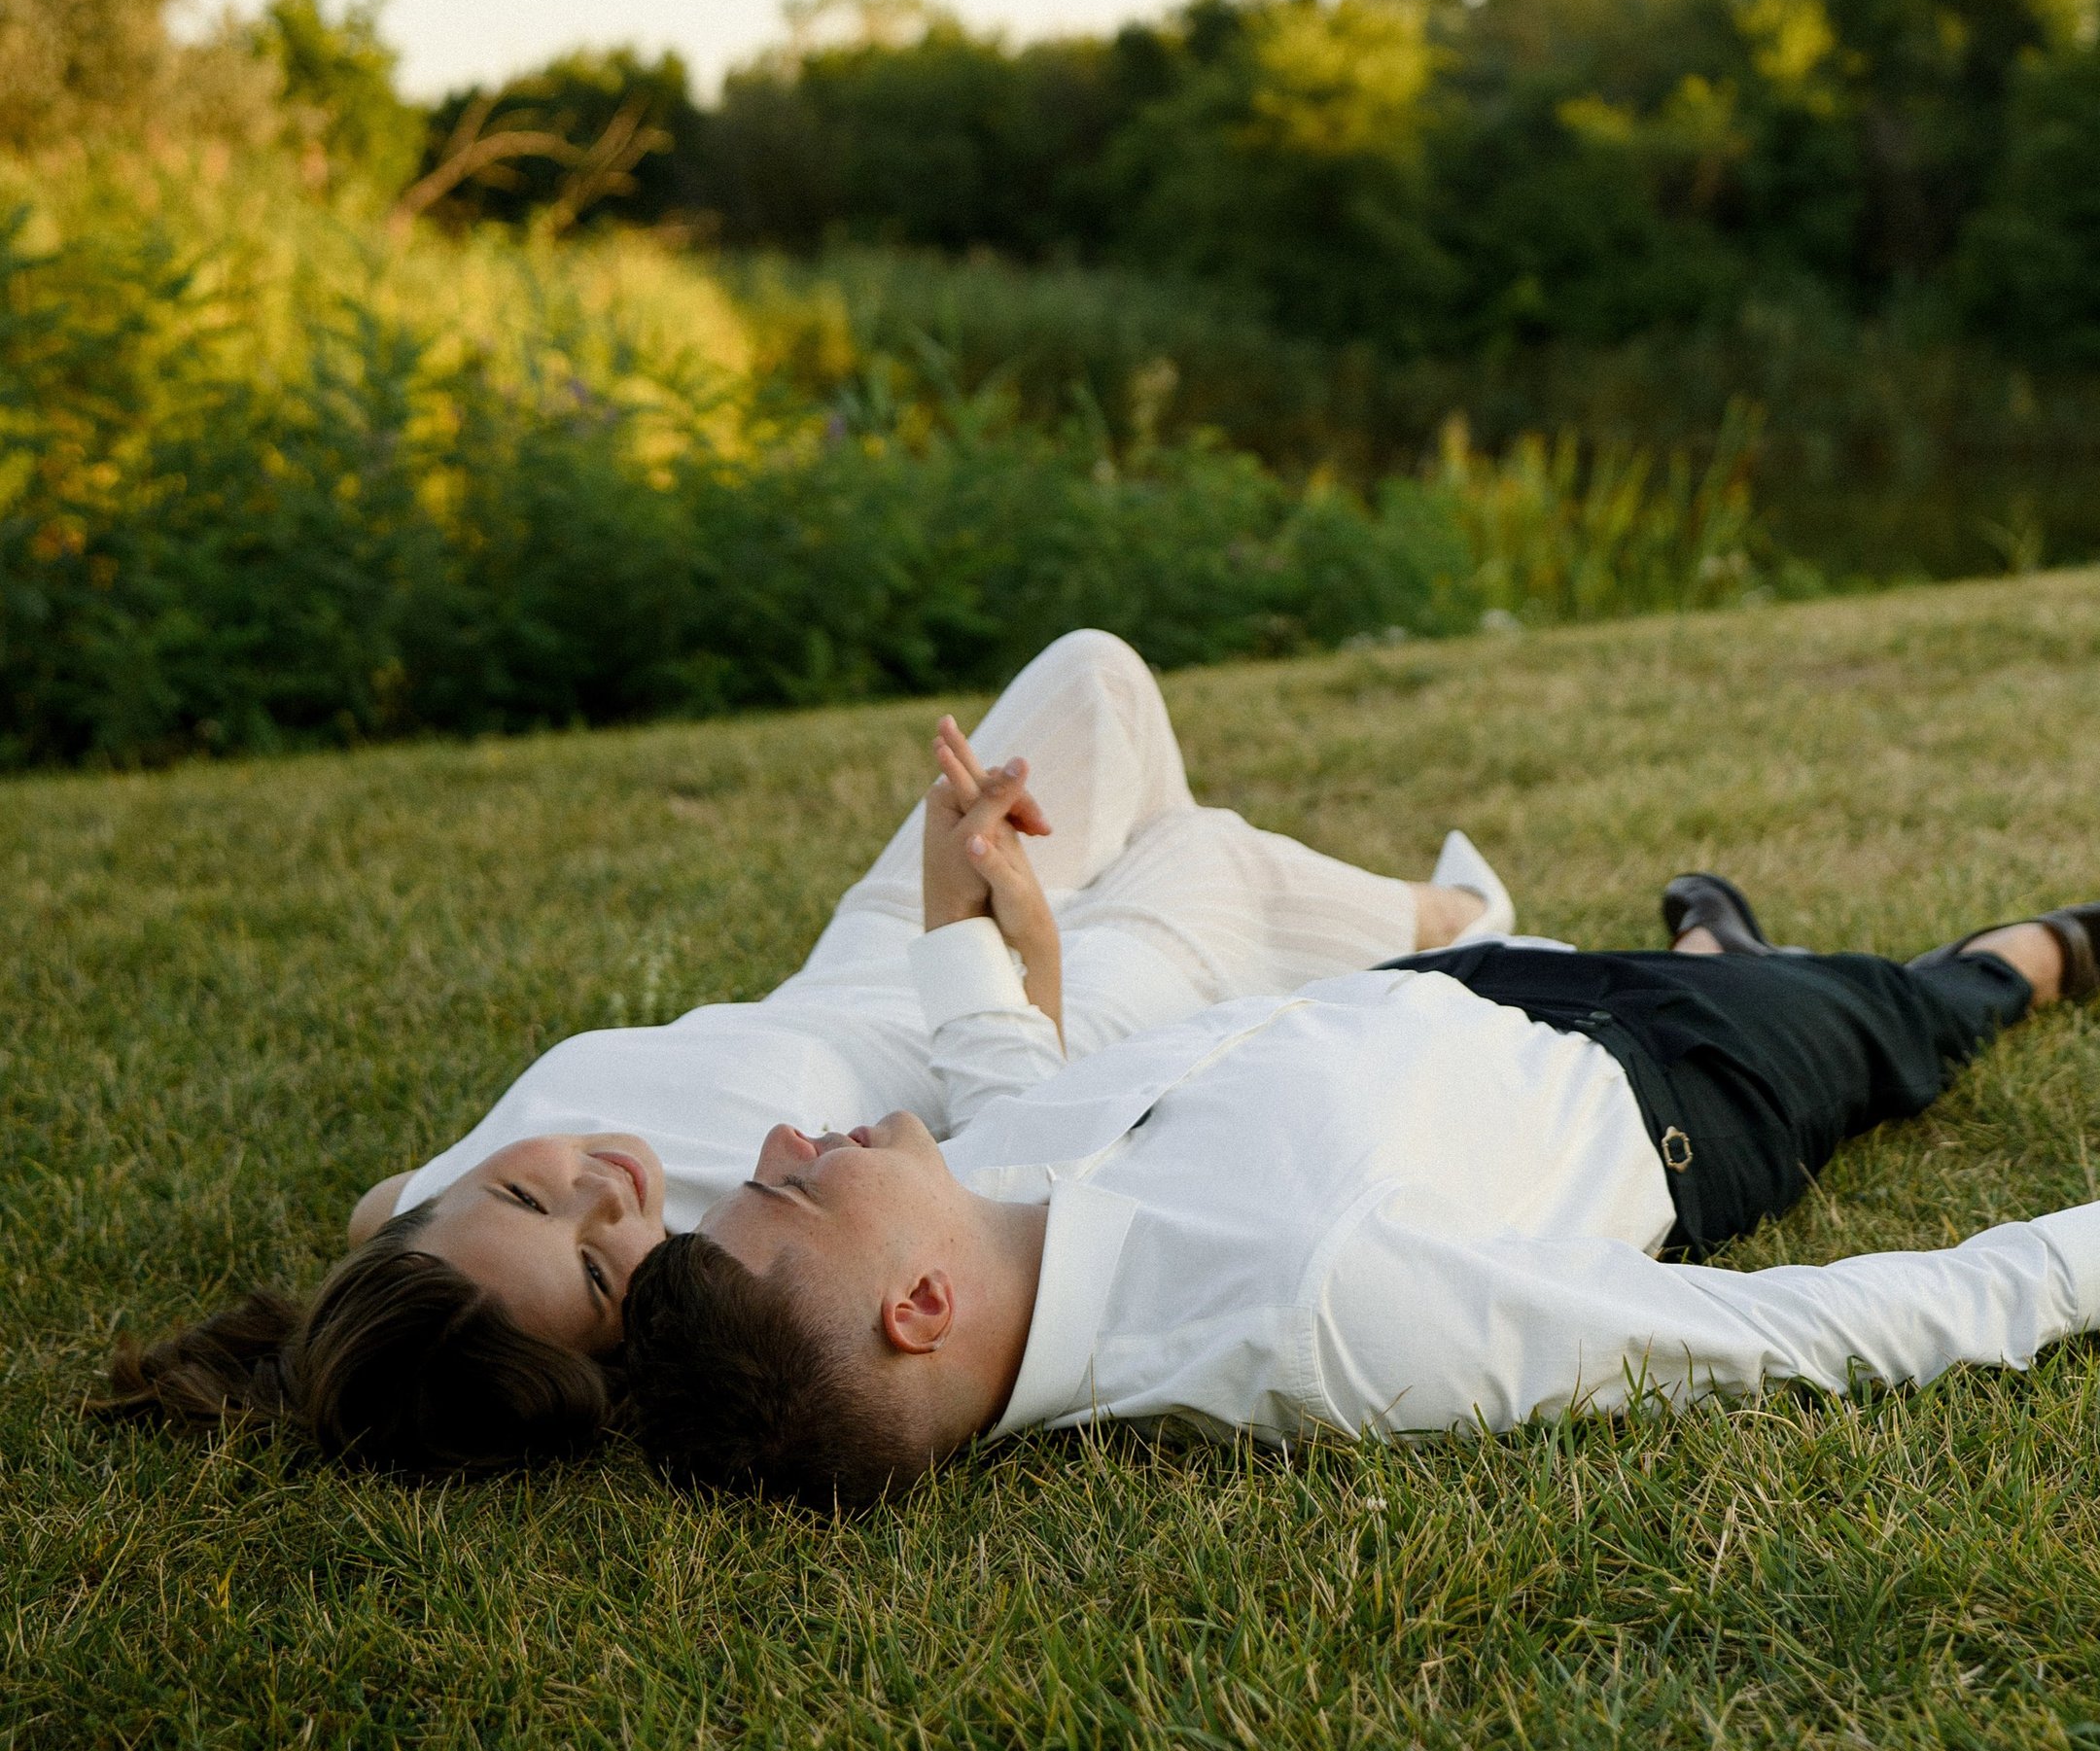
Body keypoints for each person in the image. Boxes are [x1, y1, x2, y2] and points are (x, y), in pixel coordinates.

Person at [97, 631, 1511, 1472]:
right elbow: (1011, 1147)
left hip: (860, 955)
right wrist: (1023, 949)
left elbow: (392, 1259)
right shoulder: (761, 1259)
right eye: (600, 1271)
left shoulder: (415, 1228)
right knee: (1212, 867)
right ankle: (1461, 927)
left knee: (1097, 684)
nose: (604, 1192)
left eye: (523, 1195)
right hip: (1007, 1012)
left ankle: (1203, 897)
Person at [624, 818, 2100, 1510]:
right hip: (1671, 1085)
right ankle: (2004, 957)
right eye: (791, 1188)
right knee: (1898, 1024)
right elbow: (1771, 1338)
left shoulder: (973, 1188)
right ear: (920, 1309)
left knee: (1761, 969)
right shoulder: (1326, 1321)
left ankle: (1726, 938)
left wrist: (963, 917)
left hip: (1459, 992)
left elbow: (1010, 1074)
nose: (785, 1142)